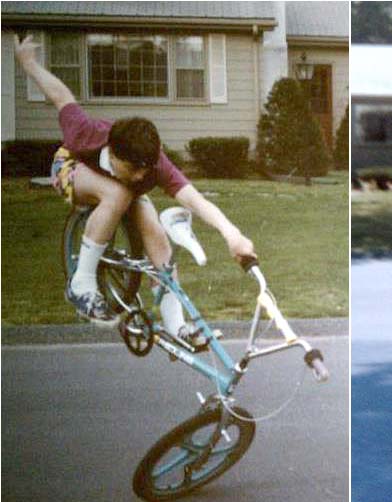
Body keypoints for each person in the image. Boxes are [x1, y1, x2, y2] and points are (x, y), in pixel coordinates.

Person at [14, 34, 256, 342]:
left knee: (155, 229)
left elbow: (194, 199)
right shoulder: (87, 133)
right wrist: (29, 63)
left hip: (116, 190)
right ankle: (82, 284)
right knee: (120, 192)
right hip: (72, 168)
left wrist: (231, 233)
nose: (142, 177)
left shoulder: (154, 166)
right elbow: (61, 96)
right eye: (133, 169)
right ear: (113, 153)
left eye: (147, 169)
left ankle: (175, 323)